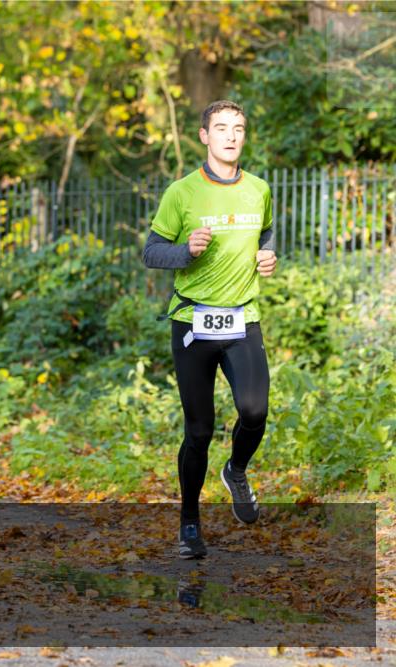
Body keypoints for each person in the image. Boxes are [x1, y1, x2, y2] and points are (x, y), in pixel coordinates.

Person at [142, 100, 278, 559]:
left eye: (238, 128)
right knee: (199, 430)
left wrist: (269, 255)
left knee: (255, 410)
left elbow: (267, 234)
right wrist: (186, 251)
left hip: (242, 320)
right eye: (221, 128)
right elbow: (151, 252)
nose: (231, 136)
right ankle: (190, 523)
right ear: (204, 136)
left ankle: (236, 470)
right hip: (192, 323)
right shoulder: (181, 192)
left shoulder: (258, 189)